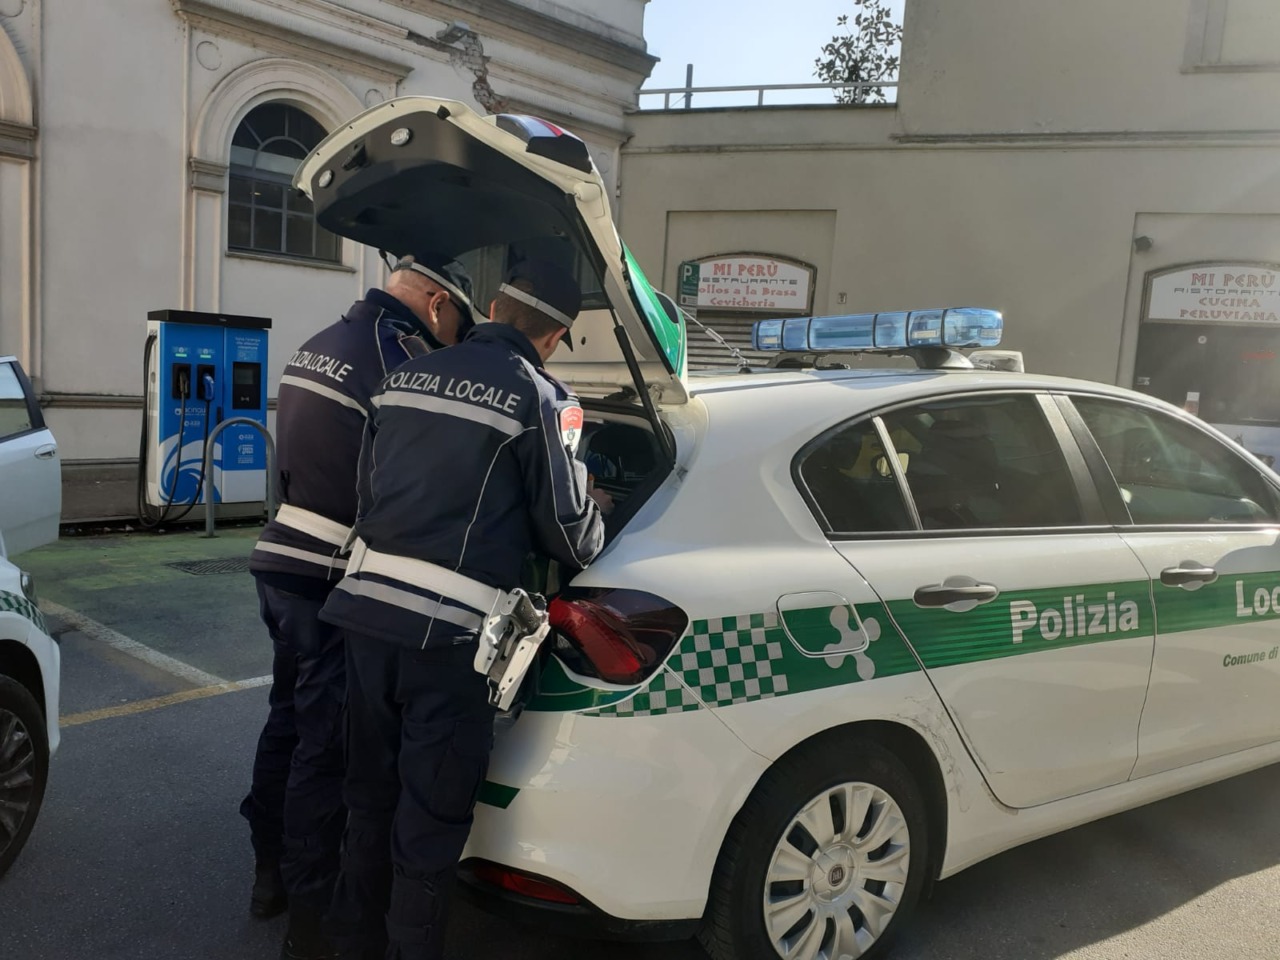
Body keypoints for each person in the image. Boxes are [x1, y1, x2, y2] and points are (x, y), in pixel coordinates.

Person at [318, 258, 610, 960]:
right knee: (427, 826)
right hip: (448, 642)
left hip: (362, 617)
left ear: (495, 309)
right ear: (552, 336)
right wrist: (600, 510)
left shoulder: (402, 376)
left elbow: (369, 498)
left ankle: (347, 945)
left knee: (367, 802)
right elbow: (570, 534)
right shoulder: (542, 398)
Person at [243, 253, 477, 960]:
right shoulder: (394, 359)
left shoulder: (318, 344)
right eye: (455, 323)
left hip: (278, 563)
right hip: (326, 578)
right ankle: (309, 920)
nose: (452, 339)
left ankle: (268, 870)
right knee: (325, 747)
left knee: (285, 722)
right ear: (436, 302)